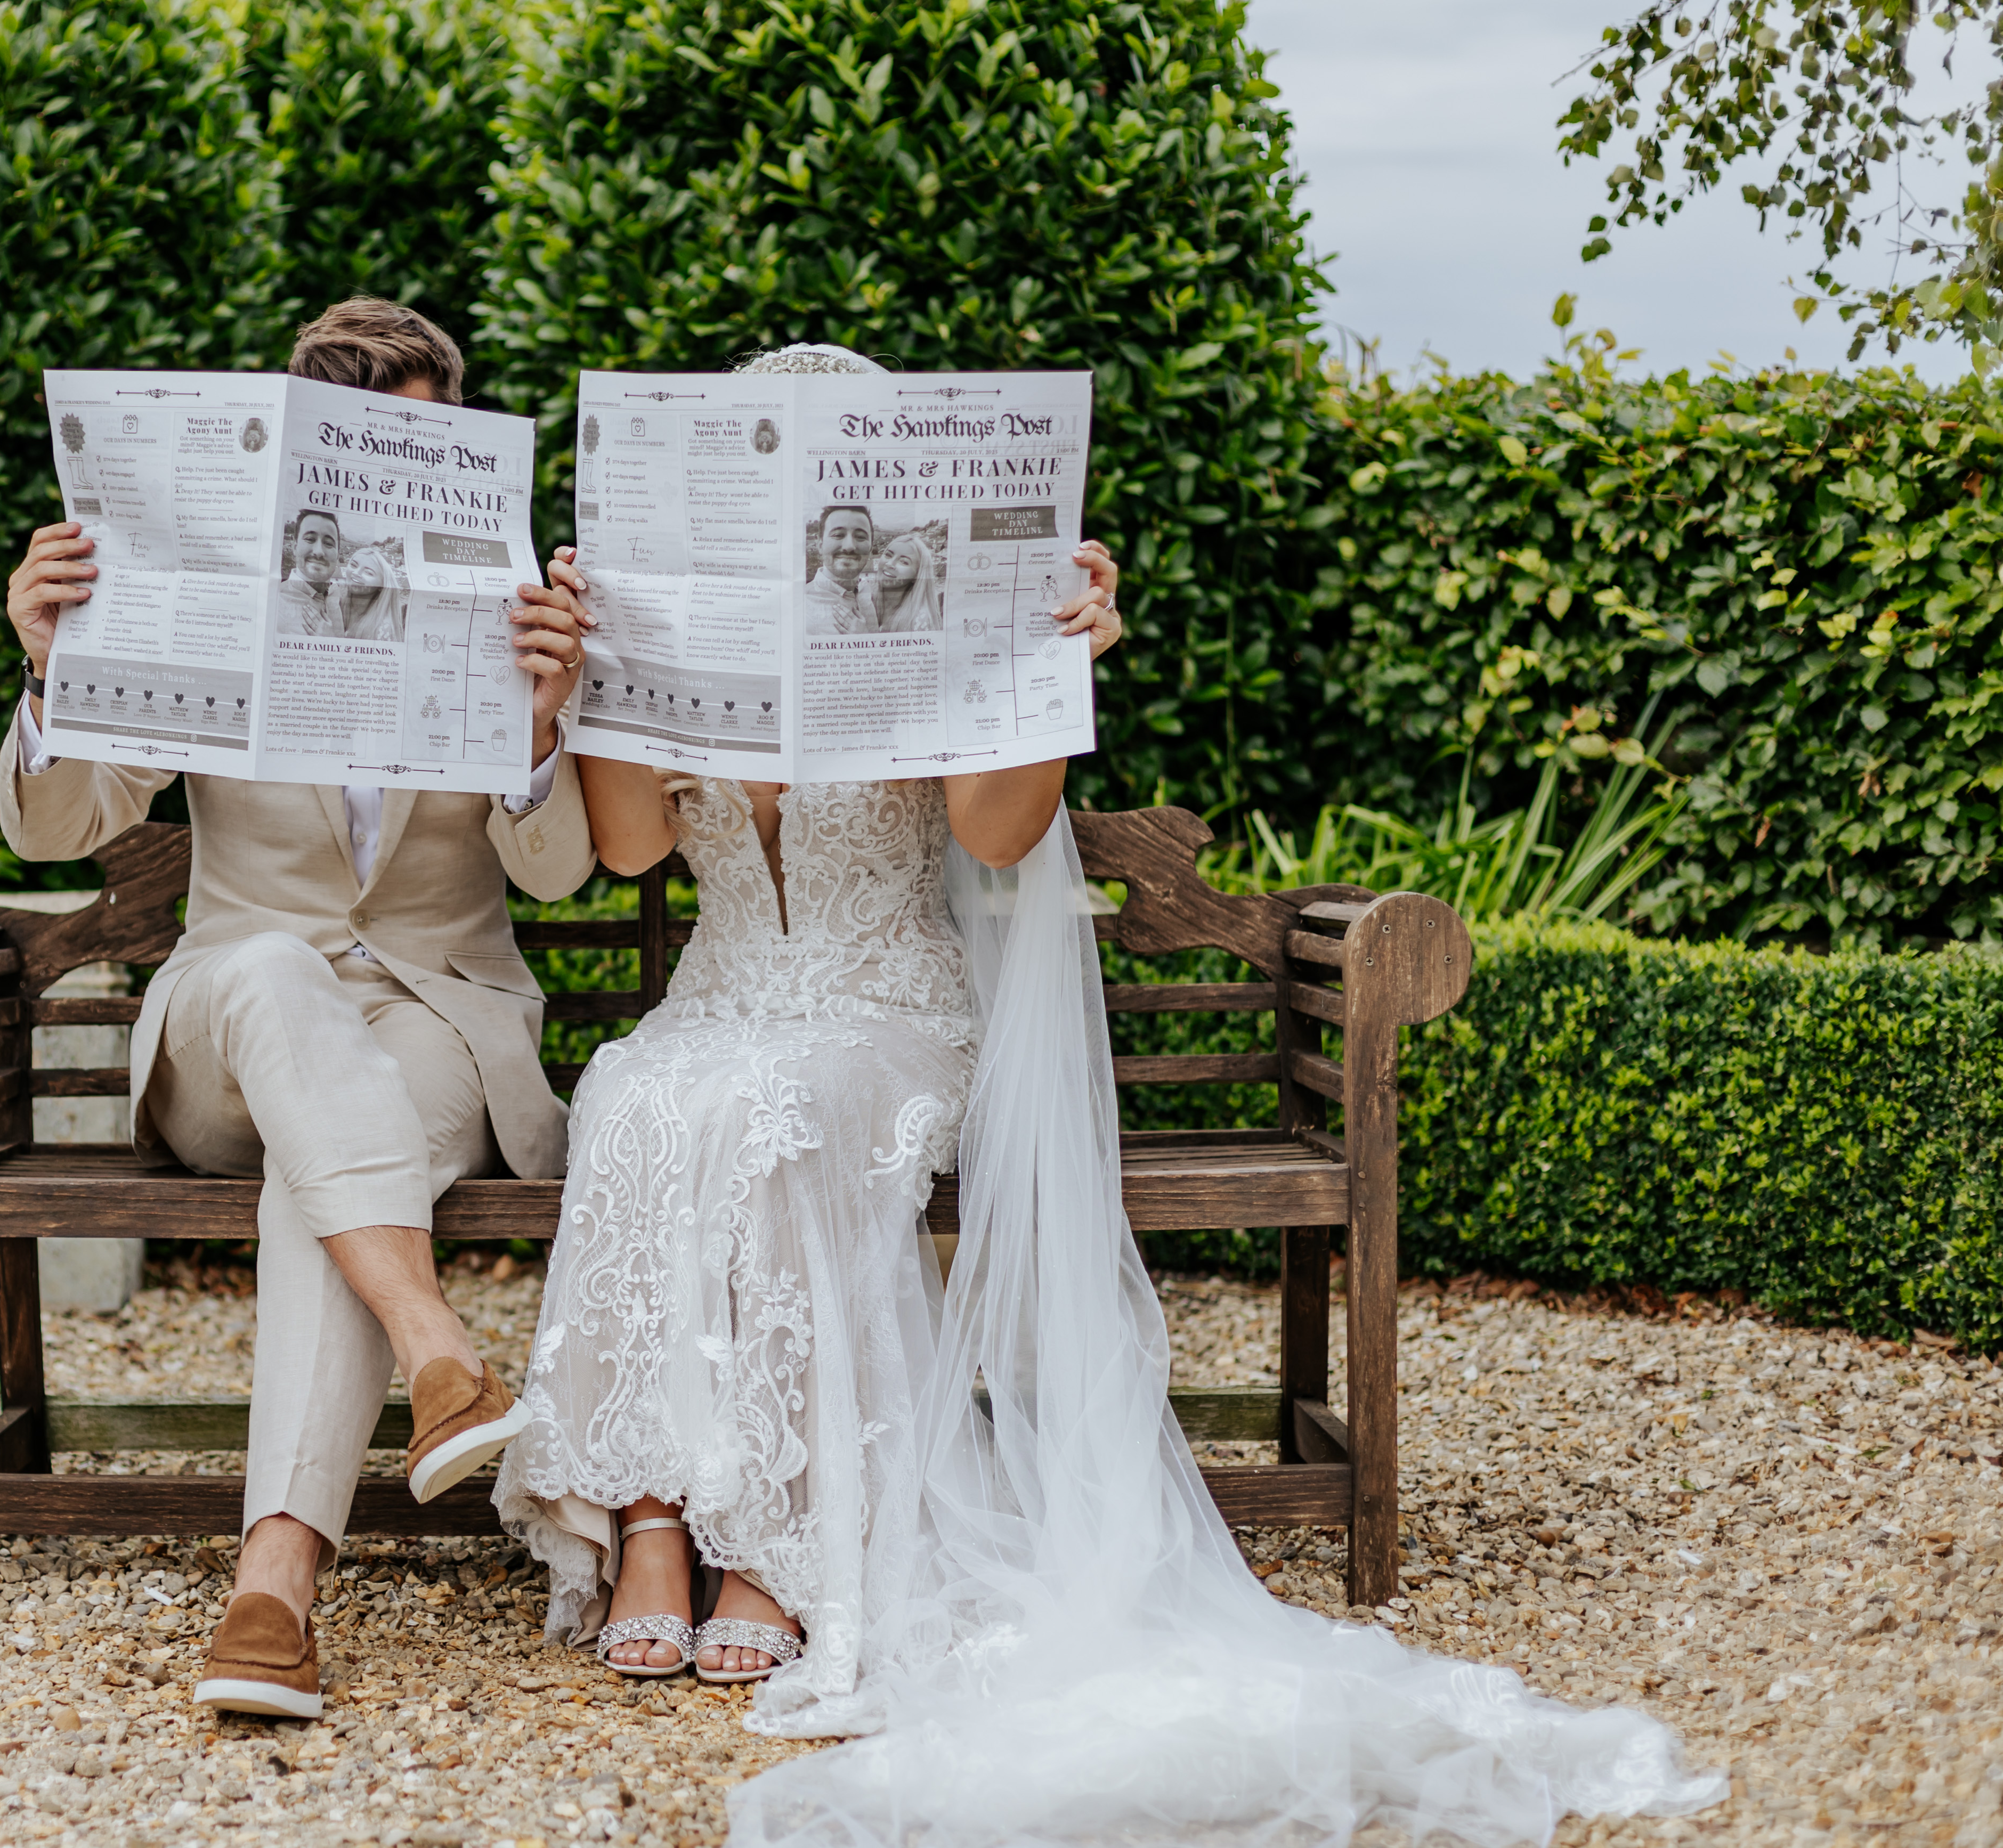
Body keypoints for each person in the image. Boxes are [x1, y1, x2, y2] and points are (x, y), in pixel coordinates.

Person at [497, 345, 1724, 1847]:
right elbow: (624, 849)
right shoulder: (668, 619)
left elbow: (1002, 835)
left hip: (884, 1009)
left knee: (778, 1120)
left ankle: (782, 1546)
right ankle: (650, 1517)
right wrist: (584, 671)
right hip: (725, 993)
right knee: (633, 1093)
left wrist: (1048, 663)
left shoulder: (909, 600)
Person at [0, 296, 595, 1723]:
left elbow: (560, 871)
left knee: (322, 1181)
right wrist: (48, 662)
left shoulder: (515, 611)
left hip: (433, 1026)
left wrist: (539, 723)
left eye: (427, 445)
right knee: (271, 974)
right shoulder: (205, 581)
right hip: (229, 1025)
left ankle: (274, 1584)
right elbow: (56, 829)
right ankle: (434, 1346)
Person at [802, 504, 876, 633]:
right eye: (838, 535)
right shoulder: (801, 611)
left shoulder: (867, 592)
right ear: (820, 544)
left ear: (871, 548)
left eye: (860, 537)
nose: (849, 546)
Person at [273, 509, 347, 636]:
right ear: (295, 547)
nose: (319, 552)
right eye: (310, 539)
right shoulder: (274, 606)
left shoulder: (340, 597)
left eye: (329, 544)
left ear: (338, 555)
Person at [862, 528, 942, 632]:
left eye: (904, 562)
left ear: (916, 577)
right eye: (888, 555)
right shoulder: (865, 597)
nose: (890, 564)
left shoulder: (920, 620)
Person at [335, 540, 408, 642]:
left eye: (369, 573)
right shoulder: (335, 602)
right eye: (353, 565)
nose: (356, 573)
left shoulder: (383, 629)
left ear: (381, 586)